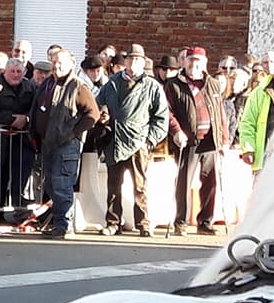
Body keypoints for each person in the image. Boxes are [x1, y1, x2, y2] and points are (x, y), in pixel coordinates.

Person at [94, 43, 169, 237]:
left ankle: (143, 223)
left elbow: (161, 118)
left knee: (140, 186)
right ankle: (113, 223)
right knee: (113, 186)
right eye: (130, 59)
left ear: (143, 63)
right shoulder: (112, 83)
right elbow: (98, 105)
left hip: (138, 143)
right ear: (125, 61)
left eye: (137, 59)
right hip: (115, 139)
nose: (133, 62)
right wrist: (102, 115)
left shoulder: (152, 86)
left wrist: (149, 140)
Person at [29, 49, 100, 238]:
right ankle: (59, 222)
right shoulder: (48, 83)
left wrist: (73, 133)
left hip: (66, 144)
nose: (56, 66)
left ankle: (65, 226)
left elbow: (92, 114)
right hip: (47, 143)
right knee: (51, 185)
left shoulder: (78, 87)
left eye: (60, 62)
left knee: (62, 185)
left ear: (71, 64)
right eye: (53, 62)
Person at [164, 46, 228, 235]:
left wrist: (224, 138)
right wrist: (176, 131)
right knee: (183, 182)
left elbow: (220, 112)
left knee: (210, 182)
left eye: (198, 61)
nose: (194, 65)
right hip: (188, 140)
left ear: (205, 64)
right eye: (191, 60)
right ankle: (181, 222)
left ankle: (205, 222)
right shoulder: (173, 84)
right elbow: (167, 112)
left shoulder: (213, 84)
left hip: (210, 140)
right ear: (184, 62)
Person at [0, 56, 36, 218]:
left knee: (20, 178)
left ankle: (18, 213)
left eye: (19, 72)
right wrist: (13, 120)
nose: (15, 75)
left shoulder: (29, 86)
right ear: (5, 72)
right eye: (12, 71)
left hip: (22, 142)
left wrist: (26, 119)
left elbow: (35, 109)